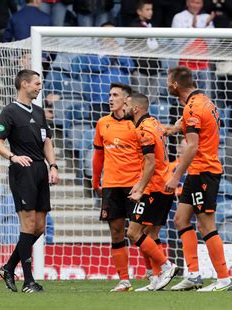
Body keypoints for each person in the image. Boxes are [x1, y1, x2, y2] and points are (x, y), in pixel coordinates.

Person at [165, 66, 232, 292]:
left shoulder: (192, 108)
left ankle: (223, 278)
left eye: (168, 82)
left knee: (206, 226)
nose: (166, 85)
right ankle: (193, 274)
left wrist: (175, 176)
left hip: (204, 171)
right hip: (198, 172)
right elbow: (194, 125)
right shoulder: (204, 100)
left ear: (175, 85)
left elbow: (192, 146)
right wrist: (174, 128)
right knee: (181, 220)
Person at [0, 69, 59, 293]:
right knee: (28, 225)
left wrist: (54, 166)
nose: (40, 87)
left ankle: (9, 267)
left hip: (40, 169)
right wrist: (12, 156)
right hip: (23, 172)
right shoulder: (9, 111)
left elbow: (46, 141)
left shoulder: (39, 112)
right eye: (37, 84)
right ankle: (29, 281)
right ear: (24, 84)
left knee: (39, 227)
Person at [123, 92, 178, 291]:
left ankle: (166, 266)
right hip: (165, 185)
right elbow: (167, 131)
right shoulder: (154, 123)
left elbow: (150, 162)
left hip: (154, 187)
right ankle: (156, 278)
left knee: (133, 232)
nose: (124, 107)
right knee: (151, 232)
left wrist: (140, 189)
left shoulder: (144, 130)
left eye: (127, 104)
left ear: (136, 109)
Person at [91, 83, 142, 292]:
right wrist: (96, 181)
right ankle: (124, 280)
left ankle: (158, 270)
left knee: (139, 231)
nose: (110, 98)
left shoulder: (137, 124)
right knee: (116, 232)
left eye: (115, 95)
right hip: (111, 185)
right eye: (109, 95)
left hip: (135, 185)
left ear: (126, 100)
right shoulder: (102, 123)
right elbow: (98, 156)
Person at [129, 0, 161, 104]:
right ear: (139, 11)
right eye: (147, 9)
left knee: (152, 101)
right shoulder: (133, 26)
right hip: (140, 68)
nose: (150, 12)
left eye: (151, 9)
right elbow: (131, 47)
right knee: (138, 100)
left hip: (154, 68)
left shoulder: (153, 25)